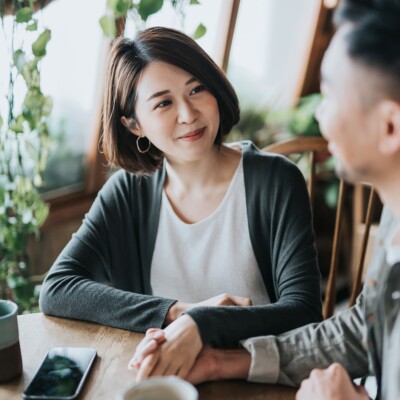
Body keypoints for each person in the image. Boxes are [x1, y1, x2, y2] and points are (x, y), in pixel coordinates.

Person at [132, 0, 400, 398]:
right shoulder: (394, 219)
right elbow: (365, 328)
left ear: (389, 126)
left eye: (329, 99)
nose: (321, 119)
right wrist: (226, 362)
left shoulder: (274, 180)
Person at [39, 27, 322, 379]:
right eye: (163, 103)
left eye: (196, 89)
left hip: (258, 380)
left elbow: (304, 313)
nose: (188, 114)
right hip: (171, 381)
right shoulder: (127, 193)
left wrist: (203, 323)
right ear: (134, 125)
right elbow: (58, 289)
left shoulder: (276, 181)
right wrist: (177, 311)